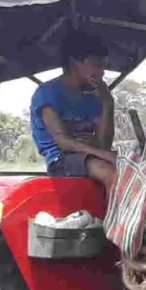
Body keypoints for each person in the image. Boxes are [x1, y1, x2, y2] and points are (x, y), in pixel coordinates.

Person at [27, 37, 117, 197]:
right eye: (96, 65)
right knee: (109, 173)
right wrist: (103, 155)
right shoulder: (48, 93)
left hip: (92, 156)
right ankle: (116, 222)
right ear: (75, 62)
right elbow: (62, 141)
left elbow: (104, 143)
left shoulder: (92, 97)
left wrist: (108, 102)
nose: (102, 72)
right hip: (61, 160)